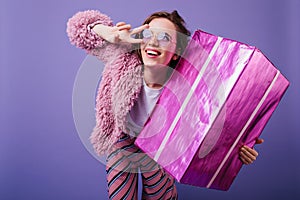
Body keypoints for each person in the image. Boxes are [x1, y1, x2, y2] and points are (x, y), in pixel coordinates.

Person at [67, 10, 264, 200]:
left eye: (164, 37)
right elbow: (78, 27)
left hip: (159, 148)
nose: (152, 41)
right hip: (123, 139)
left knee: (160, 195)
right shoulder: (122, 61)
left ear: (176, 53)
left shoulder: (187, 87)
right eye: (148, 34)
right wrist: (107, 33)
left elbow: (214, 125)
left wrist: (239, 147)